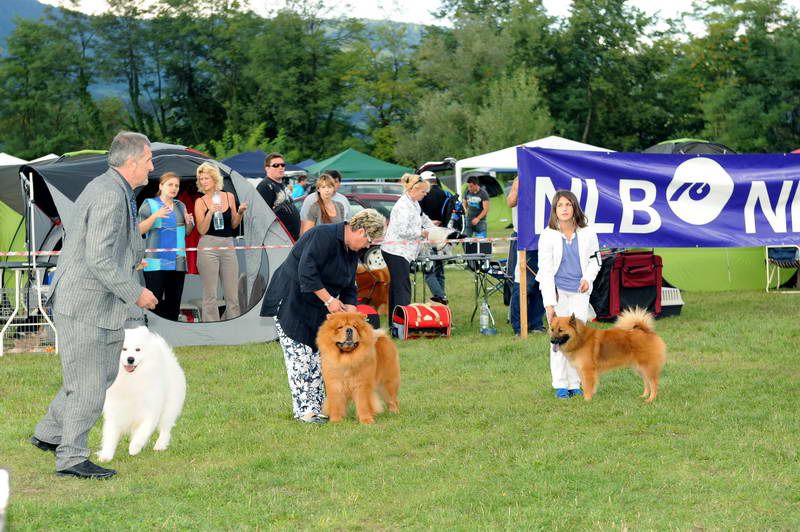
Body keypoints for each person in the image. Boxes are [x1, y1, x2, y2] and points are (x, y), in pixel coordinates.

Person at [31, 131, 159, 479]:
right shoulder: (108, 195)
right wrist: (136, 292)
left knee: (102, 372)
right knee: (88, 383)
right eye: (148, 159)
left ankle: (49, 433)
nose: (152, 164)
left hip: (95, 300)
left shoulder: (114, 188)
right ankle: (71, 457)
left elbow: (110, 246)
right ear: (131, 162)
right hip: (85, 301)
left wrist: (135, 258)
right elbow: (99, 259)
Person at [260, 209, 386, 424]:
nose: (368, 247)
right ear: (361, 231)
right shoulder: (322, 236)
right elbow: (306, 272)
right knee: (300, 357)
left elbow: (349, 284)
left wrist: (349, 306)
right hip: (291, 300)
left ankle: (317, 407)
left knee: (319, 356)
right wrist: (329, 300)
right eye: (369, 241)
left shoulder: (350, 250)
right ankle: (304, 412)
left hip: (316, 305)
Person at [537, 190, 600, 399]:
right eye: (560, 205)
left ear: (575, 207)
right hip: (558, 293)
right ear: (554, 210)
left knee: (577, 339)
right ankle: (560, 384)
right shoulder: (548, 235)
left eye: (568, 205)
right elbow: (545, 270)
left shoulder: (588, 232)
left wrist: (587, 279)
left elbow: (596, 260)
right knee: (558, 340)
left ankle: (575, 383)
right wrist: (549, 304)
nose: (564, 209)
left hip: (579, 293)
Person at [137, 171, 195, 321]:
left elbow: (187, 233)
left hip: (178, 262)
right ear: (161, 186)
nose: (174, 188)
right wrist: (155, 216)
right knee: (153, 303)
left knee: (173, 305)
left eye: (177, 185)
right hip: (155, 262)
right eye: (170, 184)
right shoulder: (149, 204)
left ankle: (172, 337)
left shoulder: (181, 205)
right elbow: (138, 230)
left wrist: (189, 223)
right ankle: (152, 336)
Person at [194, 162, 247, 322]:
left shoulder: (229, 196)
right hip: (207, 246)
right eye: (201, 179)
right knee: (210, 294)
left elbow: (233, 225)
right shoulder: (200, 202)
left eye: (206, 178)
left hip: (228, 245)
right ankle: (212, 327)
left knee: (232, 293)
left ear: (215, 178)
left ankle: (233, 326)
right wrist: (210, 212)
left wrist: (239, 212)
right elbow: (201, 230)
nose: (203, 181)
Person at [381, 173, 435, 318]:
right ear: (413, 190)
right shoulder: (403, 206)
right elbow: (403, 231)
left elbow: (423, 218)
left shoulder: (414, 203)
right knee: (402, 288)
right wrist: (422, 233)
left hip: (402, 251)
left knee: (398, 286)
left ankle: (396, 321)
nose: (425, 194)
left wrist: (434, 229)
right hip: (396, 251)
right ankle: (402, 320)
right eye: (423, 192)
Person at [506, 176, 545, 335]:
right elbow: (510, 202)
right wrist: (518, 185)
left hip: (544, 236)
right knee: (521, 282)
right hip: (524, 237)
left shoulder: (545, 176)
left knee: (542, 280)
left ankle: (536, 323)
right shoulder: (520, 178)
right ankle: (519, 325)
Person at [417, 171, 450, 305]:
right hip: (441, 233)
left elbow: (419, 215)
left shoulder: (425, 194)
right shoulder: (443, 193)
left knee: (429, 272)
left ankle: (441, 297)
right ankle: (441, 301)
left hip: (427, 236)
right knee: (439, 271)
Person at [256, 152, 300, 241]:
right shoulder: (265, 186)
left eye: (282, 165)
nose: (280, 167)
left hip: (292, 238)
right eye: (276, 165)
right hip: (278, 240)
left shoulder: (282, 185)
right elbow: (260, 216)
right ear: (267, 168)